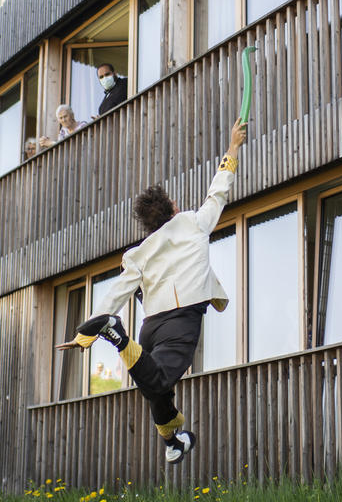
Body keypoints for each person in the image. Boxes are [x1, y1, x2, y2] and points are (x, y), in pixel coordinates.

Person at [56, 120, 248, 464]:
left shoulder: (138, 252)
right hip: (180, 320)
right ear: (172, 207)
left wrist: (85, 334)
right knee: (157, 380)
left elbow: (118, 291)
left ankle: (172, 441)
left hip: (152, 326)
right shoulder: (192, 222)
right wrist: (233, 148)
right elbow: (219, 191)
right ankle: (116, 336)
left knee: (153, 387)